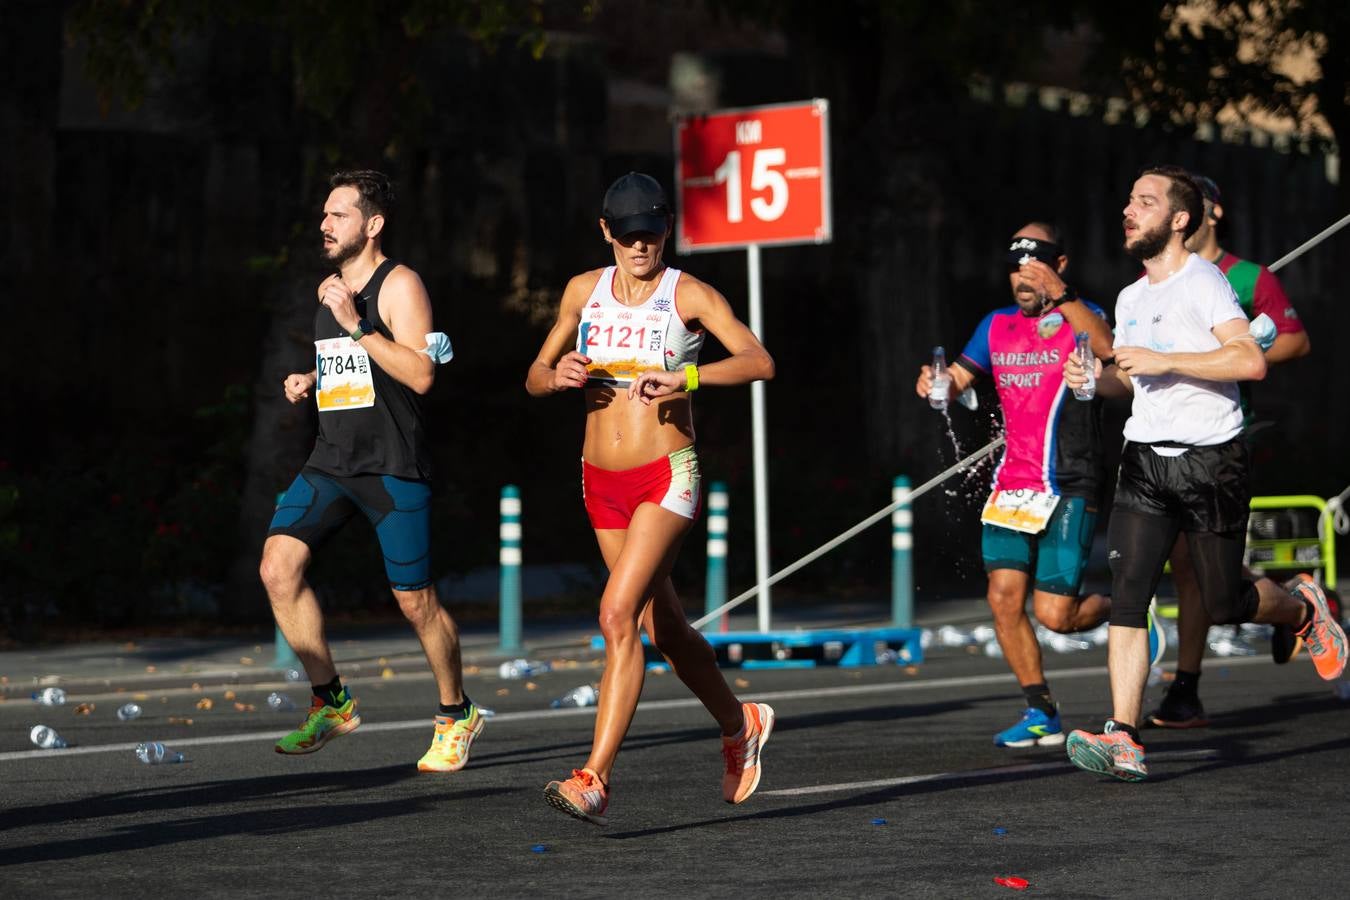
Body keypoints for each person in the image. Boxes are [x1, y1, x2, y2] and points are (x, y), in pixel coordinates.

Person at [1062, 165, 1346, 781]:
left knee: (1221, 602)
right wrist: (1095, 382)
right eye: (1128, 199)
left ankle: (1301, 608)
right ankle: (1124, 736)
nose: (1128, 210)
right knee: (1130, 599)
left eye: (1145, 201)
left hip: (1211, 462)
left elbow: (1250, 360)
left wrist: (1164, 358)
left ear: (1180, 219)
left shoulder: (1206, 282)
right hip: (1143, 461)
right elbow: (1129, 378)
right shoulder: (1131, 296)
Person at [526, 172, 776, 824]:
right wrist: (558, 376)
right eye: (630, 234)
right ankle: (738, 722)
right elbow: (532, 375)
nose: (642, 245)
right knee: (656, 626)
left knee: (615, 615)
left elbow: (758, 361)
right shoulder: (584, 291)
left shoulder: (687, 294)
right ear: (607, 231)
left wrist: (687, 375)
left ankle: (594, 778)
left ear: (668, 229)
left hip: (667, 475)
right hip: (599, 480)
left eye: (654, 232)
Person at [259, 170, 482, 772]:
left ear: (373, 224)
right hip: (332, 460)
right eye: (324, 214)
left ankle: (455, 712)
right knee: (278, 568)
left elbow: (421, 374)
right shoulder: (331, 288)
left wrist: (357, 322)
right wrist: (314, 377)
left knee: (416, 603)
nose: (324, 225)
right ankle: (331, 701)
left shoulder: (399, 284)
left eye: (338, 215)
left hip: (391, 466)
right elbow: (352, 366)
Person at [917, 222, 1139, 749]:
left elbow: (1112, 354)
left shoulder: (1085, 318)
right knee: (1002, 597)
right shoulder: (995, 325)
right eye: (1017, 265)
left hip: (1070, 480)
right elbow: (960, 381)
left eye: (1035, 263)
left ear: (1059, 266)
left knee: (1055, 616)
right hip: (1013, 484)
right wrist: (935, 383)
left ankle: (1129, 609)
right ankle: (1039, 710)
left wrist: (1064, 299)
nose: (1024, 275)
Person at [1148, 173, 1315, 729]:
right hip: (1164, 439)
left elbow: (1296, 339)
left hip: (1223, 436)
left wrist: (1254, 341)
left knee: (1196, 563)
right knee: (1189, 565)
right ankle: (1190, 683)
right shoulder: (1157, 277)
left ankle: (1192, 680)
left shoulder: (1246, 277)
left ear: (1208, 213)